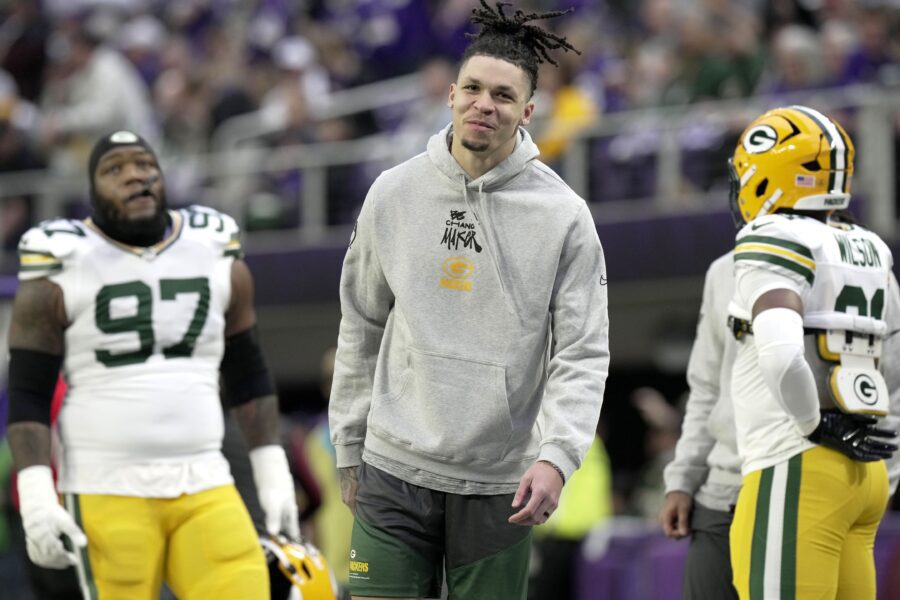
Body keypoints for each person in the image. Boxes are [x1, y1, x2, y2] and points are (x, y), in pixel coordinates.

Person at [328, 2, 610, 598]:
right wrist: (349, 443)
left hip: (498, 485)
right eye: (474, 89)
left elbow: (583, 352)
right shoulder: (393, 192)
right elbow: (360, 323)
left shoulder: (564, 216)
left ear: (528, 111)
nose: (486, 104)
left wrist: (557, 456)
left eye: (504, 96)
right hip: (392, 467)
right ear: (452, 95)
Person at [5, 129, 300, 598]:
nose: (135, 175)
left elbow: (248, 371)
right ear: (92, 191)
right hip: (105, 486)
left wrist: (272, 471)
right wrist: (37, 493)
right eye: (114, 168)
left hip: (205, 477)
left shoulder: (211, 243)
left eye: (144, 164)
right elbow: (27, 390)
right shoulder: (63, 255)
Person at [660, 242, 900, 600]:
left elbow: (889, 387)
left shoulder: (868, 264)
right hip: (726, 487)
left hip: (803, 482)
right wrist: (683, 477)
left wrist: (881, 477)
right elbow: (706, 389)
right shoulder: (726, 268)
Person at [725, 105, 898, 599]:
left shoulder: (774, 236)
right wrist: (888, 456)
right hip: (865, 473)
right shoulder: (871, 247)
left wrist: (810, 423)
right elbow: (896, 362)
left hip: (796, 459)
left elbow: (781, 350)